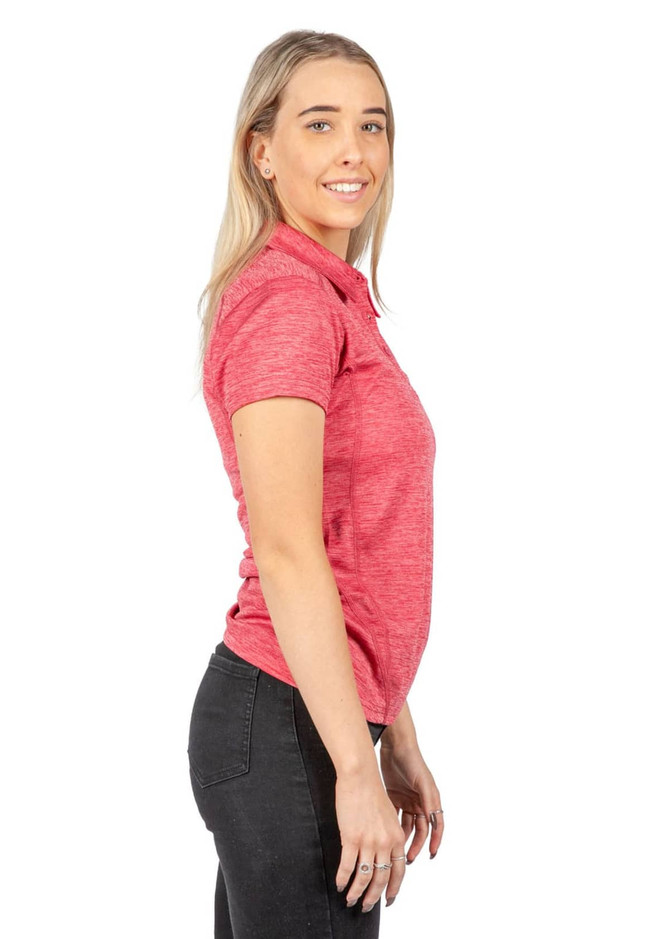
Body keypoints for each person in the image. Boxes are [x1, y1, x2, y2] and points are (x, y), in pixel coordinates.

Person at [187, 29, 444, 938]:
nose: (353, 151)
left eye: (372, 126)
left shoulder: (331, 299)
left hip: (306, 716)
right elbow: (291, 550)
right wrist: (353, 765)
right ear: (261, 151)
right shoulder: (289, 302)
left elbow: (351, 548)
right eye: (321, 123)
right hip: (284, 722)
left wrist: (394, 727)